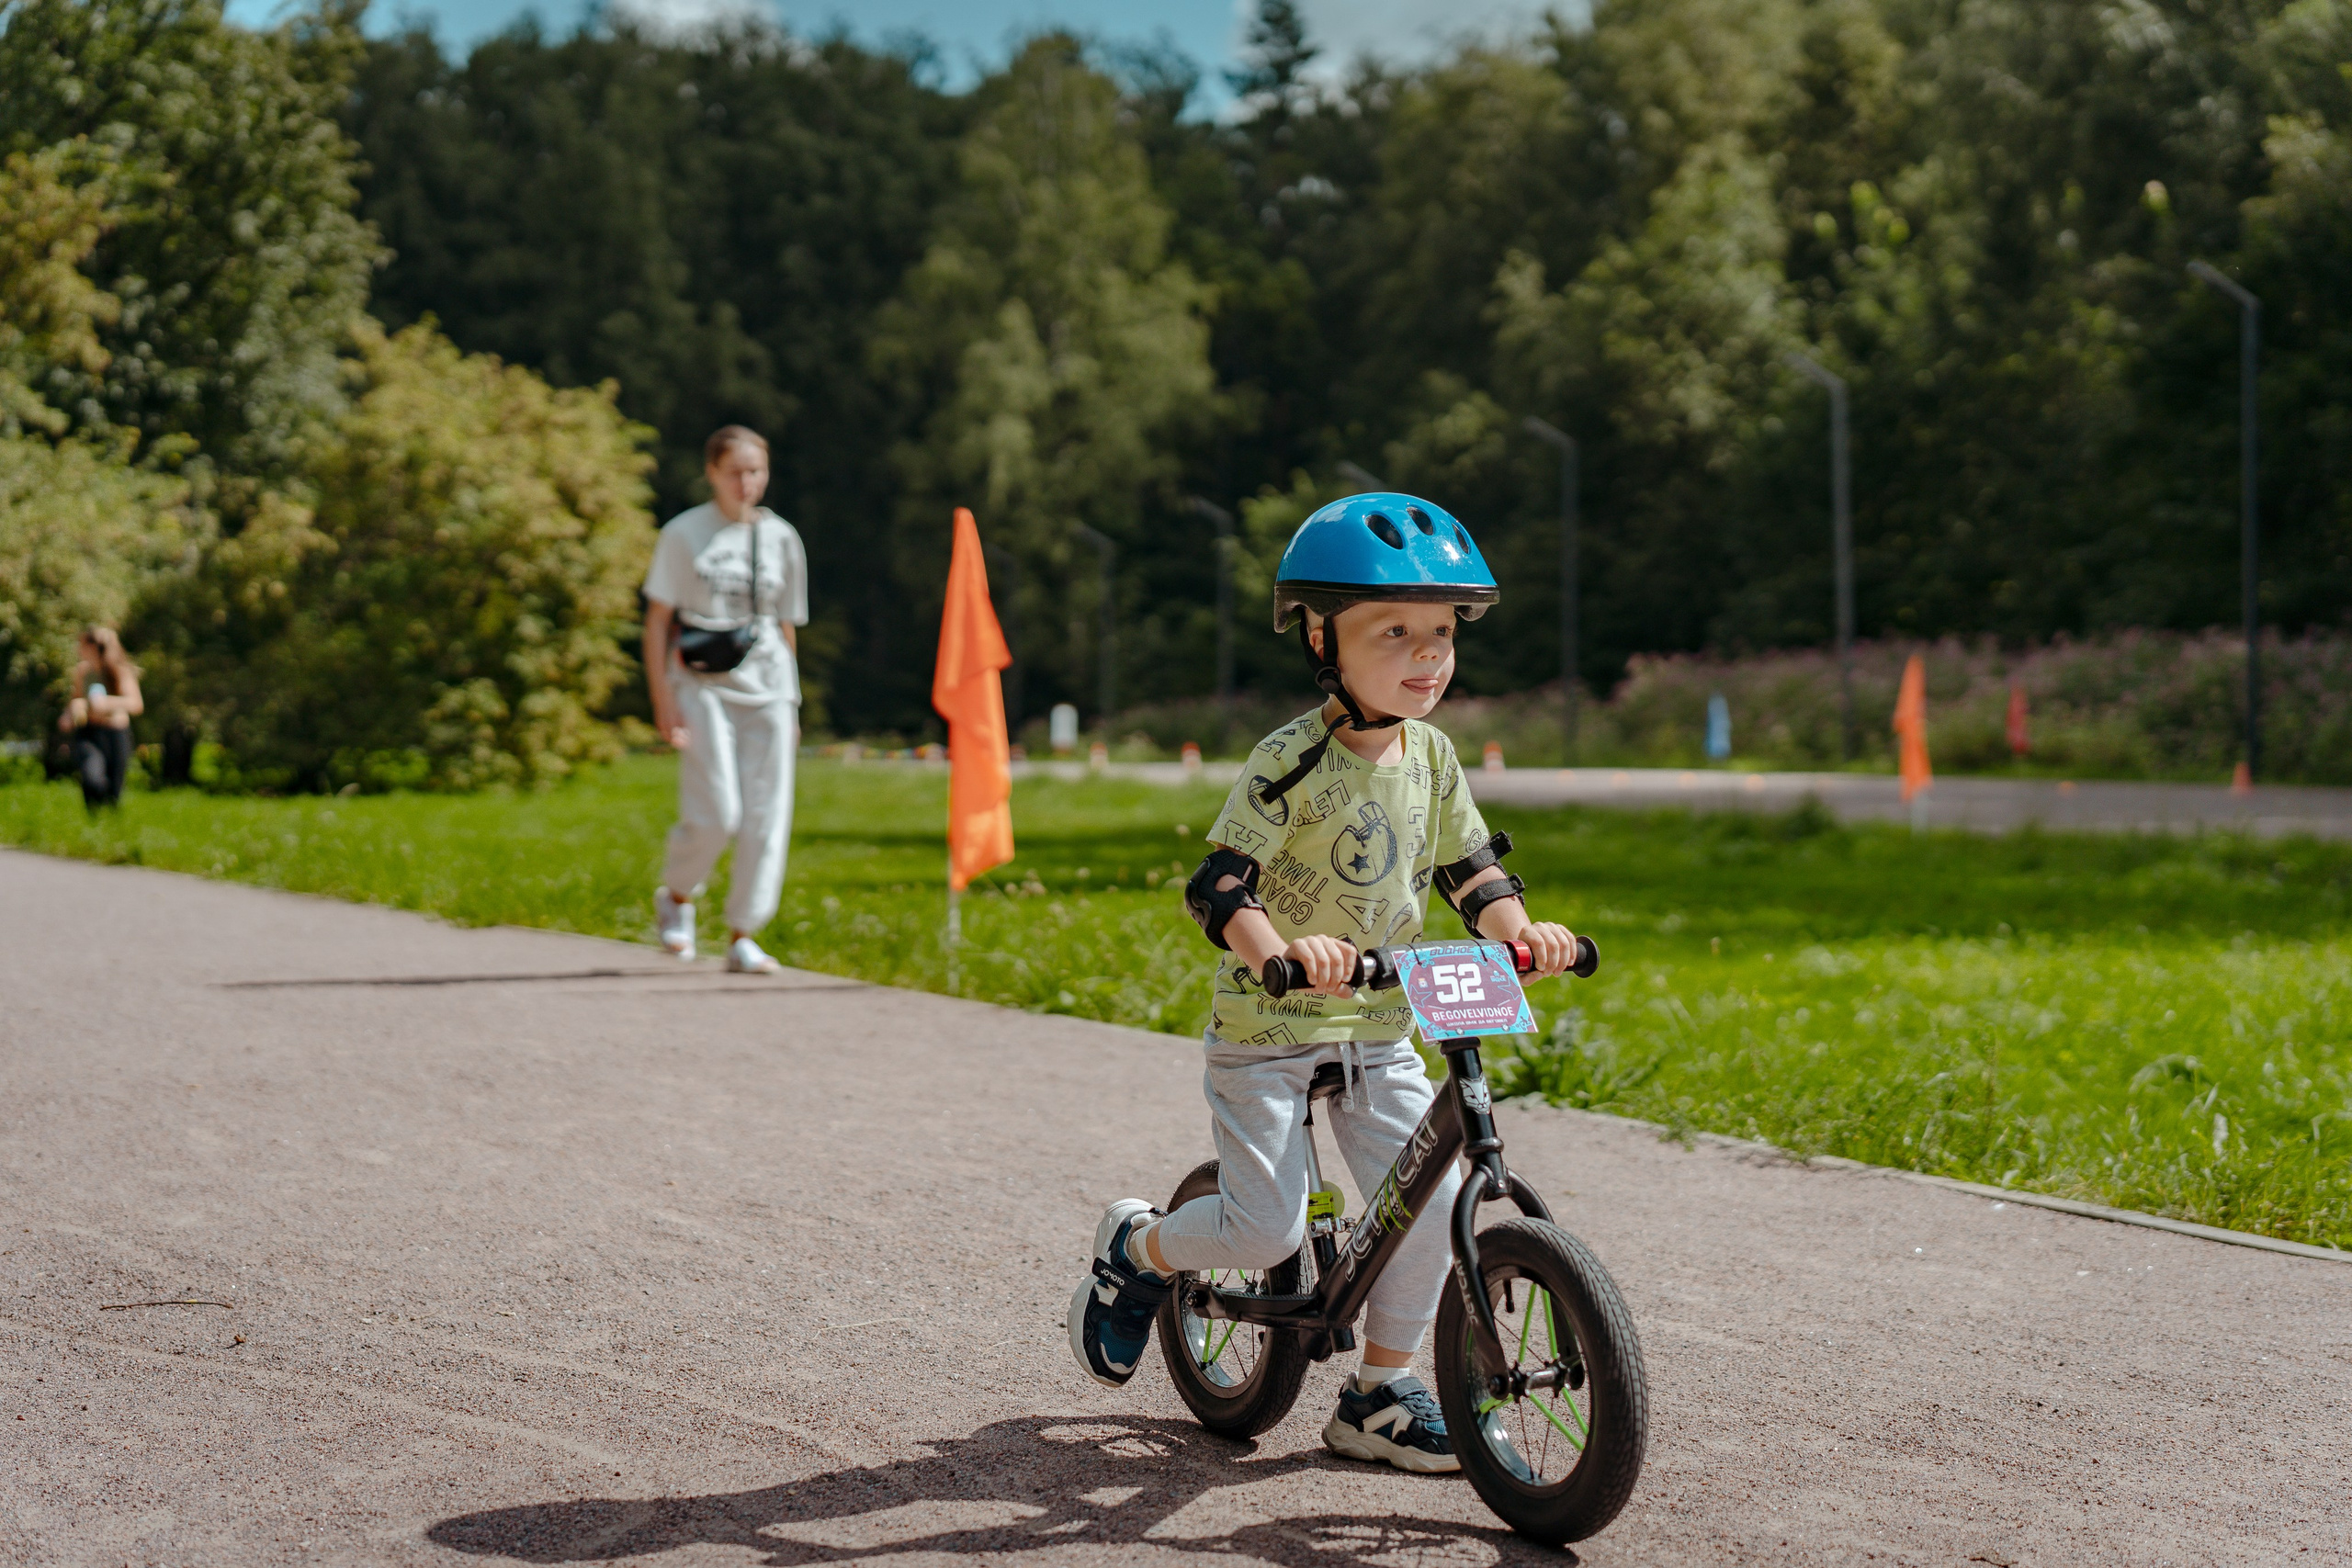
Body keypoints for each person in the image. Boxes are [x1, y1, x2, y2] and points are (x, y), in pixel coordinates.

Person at [1067, 493, 1581, 1473]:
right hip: (1271, 1029)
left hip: (1382, 1023)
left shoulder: (1430, 757)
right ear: (1319, 637)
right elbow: (1219, 884)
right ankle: (1136, 1252)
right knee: (1262, 1228)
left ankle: (1378, 1395)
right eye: (1395, 632)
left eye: (1441, 632)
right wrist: (1277, 951)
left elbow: (1468, 869)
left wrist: (1525, 933)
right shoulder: (1289, 760)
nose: (1427, 654)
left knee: (1432, 1203)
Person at [641, 426, 809, 975]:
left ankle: (743, 933)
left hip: (770, 688)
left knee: (767, 816)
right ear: (711, 472)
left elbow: (786, 625)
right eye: (735, 471)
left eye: (756, 471)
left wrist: (795, 702)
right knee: (719, 812)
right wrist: (663, 702)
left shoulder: (783, 538)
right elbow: (657, 622)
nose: (747, 482)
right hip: (703, 684)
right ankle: (679, 895)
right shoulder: (684, 534)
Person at [57, 626, 142, 811]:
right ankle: (92, 818)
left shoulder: (120, 672)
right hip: (90, 732)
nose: (79, 649)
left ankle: (108, 828)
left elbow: (136, 704)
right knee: (91, 778)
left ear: (95, 646)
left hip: (116, 733)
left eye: (83, 644)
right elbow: (76, 698)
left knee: (114, 789)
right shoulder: (82, 672)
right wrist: (69, 713)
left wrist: (108, 703)